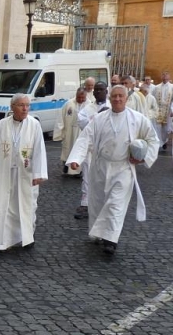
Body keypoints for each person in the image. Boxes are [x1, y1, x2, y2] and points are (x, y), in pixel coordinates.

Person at [67, 85, 159, 255]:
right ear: (110, 98)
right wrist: (76, 159)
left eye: (120, 96)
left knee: (116, 204)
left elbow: (153, 139)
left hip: (123, 168)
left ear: (126, 98)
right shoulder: (100, 118)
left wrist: (142, 157)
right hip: (101, 166)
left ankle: (110, 239)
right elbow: (86, 137)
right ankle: (98, 234)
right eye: (114, 96)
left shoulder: (138, 119)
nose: (117, 99)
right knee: (98, 202)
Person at [0, 93, 48, 256]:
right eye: (21, 105)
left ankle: (25, 237)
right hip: (2, 172)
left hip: (25, 174)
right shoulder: (2, 125)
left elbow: (39, 150)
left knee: (25, 207)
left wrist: (38, 173)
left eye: (27, 105)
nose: (25, 109)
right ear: (12, 107)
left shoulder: (34, 125)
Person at [73, 81, 110, 220]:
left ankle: (104, 204)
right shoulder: (88, 109)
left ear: (106, 91)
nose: (99, 92)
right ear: (93, 92)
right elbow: (82, 123)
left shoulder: (113, 107)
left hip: (108, 150)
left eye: (102, 89)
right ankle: (85, 203)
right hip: (92, 149)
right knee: (87, 176)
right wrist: (98, 118)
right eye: (97, 90)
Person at [53, 87, 89, 175]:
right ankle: (66, 167)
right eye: (78, 97)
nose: (80, 100)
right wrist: (60, 133)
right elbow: (60, 118)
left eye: (82, 98)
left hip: (82, 132)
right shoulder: (69, 104)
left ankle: (80, 170)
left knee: (80, 150)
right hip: (69, 131)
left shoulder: (89, 105)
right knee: (68, 149)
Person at [152, 71, 173, 151]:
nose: (164, 76)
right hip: (158, 110)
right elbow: (152, 98)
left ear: (169, 76)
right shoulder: (156, 87)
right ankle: (159, 142)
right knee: (157, 127)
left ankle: (165, 141)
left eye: (166, 75)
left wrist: (172, 109)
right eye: (163, 75)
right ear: (161, 76)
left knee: (166, 128)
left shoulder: (172, 87)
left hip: (168, 110)